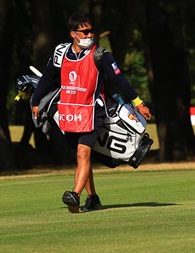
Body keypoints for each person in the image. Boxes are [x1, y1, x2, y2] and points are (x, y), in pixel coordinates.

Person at [30, 11, 152, 213]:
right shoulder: (61, 53)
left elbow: (119, 80)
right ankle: (93, 198)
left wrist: (138, 103)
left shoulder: (101, 55)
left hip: (94, 111)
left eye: (91, 31)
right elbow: (47, 78)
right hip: (69, 112)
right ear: (73, 34)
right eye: (84, 32)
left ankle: (74, 195)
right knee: (82, 156)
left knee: (83, 152)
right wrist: (35, 102)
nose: (89, 35)